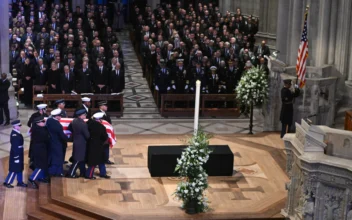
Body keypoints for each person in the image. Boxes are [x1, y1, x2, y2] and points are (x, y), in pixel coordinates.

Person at [85, 112, 110, 179]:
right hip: (98, 146)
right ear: (99, 120)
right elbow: (104, 137)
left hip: (90, 144)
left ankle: (102, 173)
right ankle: (89, 175)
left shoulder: (88, 124)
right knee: (97, 161)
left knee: (95, 160)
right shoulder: (101, 127)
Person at [3, 120, 28, 188]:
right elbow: (15, 147)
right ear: (15, 126)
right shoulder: (14, 135)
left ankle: (20, 182)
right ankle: (7, 182)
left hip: (19, 153)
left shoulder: (17, 133)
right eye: (19, 126)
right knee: (14, 169)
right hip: (16, 154)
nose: (20, 127)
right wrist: (16, 157)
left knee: (19, 168)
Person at [28, 115, 50, 189]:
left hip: (40, 149)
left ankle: (41, 177)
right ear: (38, 123)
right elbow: (46, 137)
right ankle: (32, 178)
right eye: (43, 121)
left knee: (43, 165)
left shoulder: (37, 128)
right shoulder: (40, 131)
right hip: (39, 150)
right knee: (40, 165)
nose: (44, 123)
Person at [67, 109, 89, 178]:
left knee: (81, 158)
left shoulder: (74, 121)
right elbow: (87, 135)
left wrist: (75, 133)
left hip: (76, 141)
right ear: (81, 116)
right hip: (81, 143)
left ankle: (83, 172)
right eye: (84, 115)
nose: (85, 116)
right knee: (78, 159)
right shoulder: (83, 124)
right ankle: (71, 173)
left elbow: (69, 127)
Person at [46, 109, 69, 177]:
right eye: (60, 116)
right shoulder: (58, 125)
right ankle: (55, 172)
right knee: (58, 158)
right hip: (57, 143)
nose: (61, 117)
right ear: (56, 116)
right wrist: (68, 138)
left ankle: (57, 171)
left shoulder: (49, 121)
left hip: (50, 142)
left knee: (53, 157)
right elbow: (61, 135)